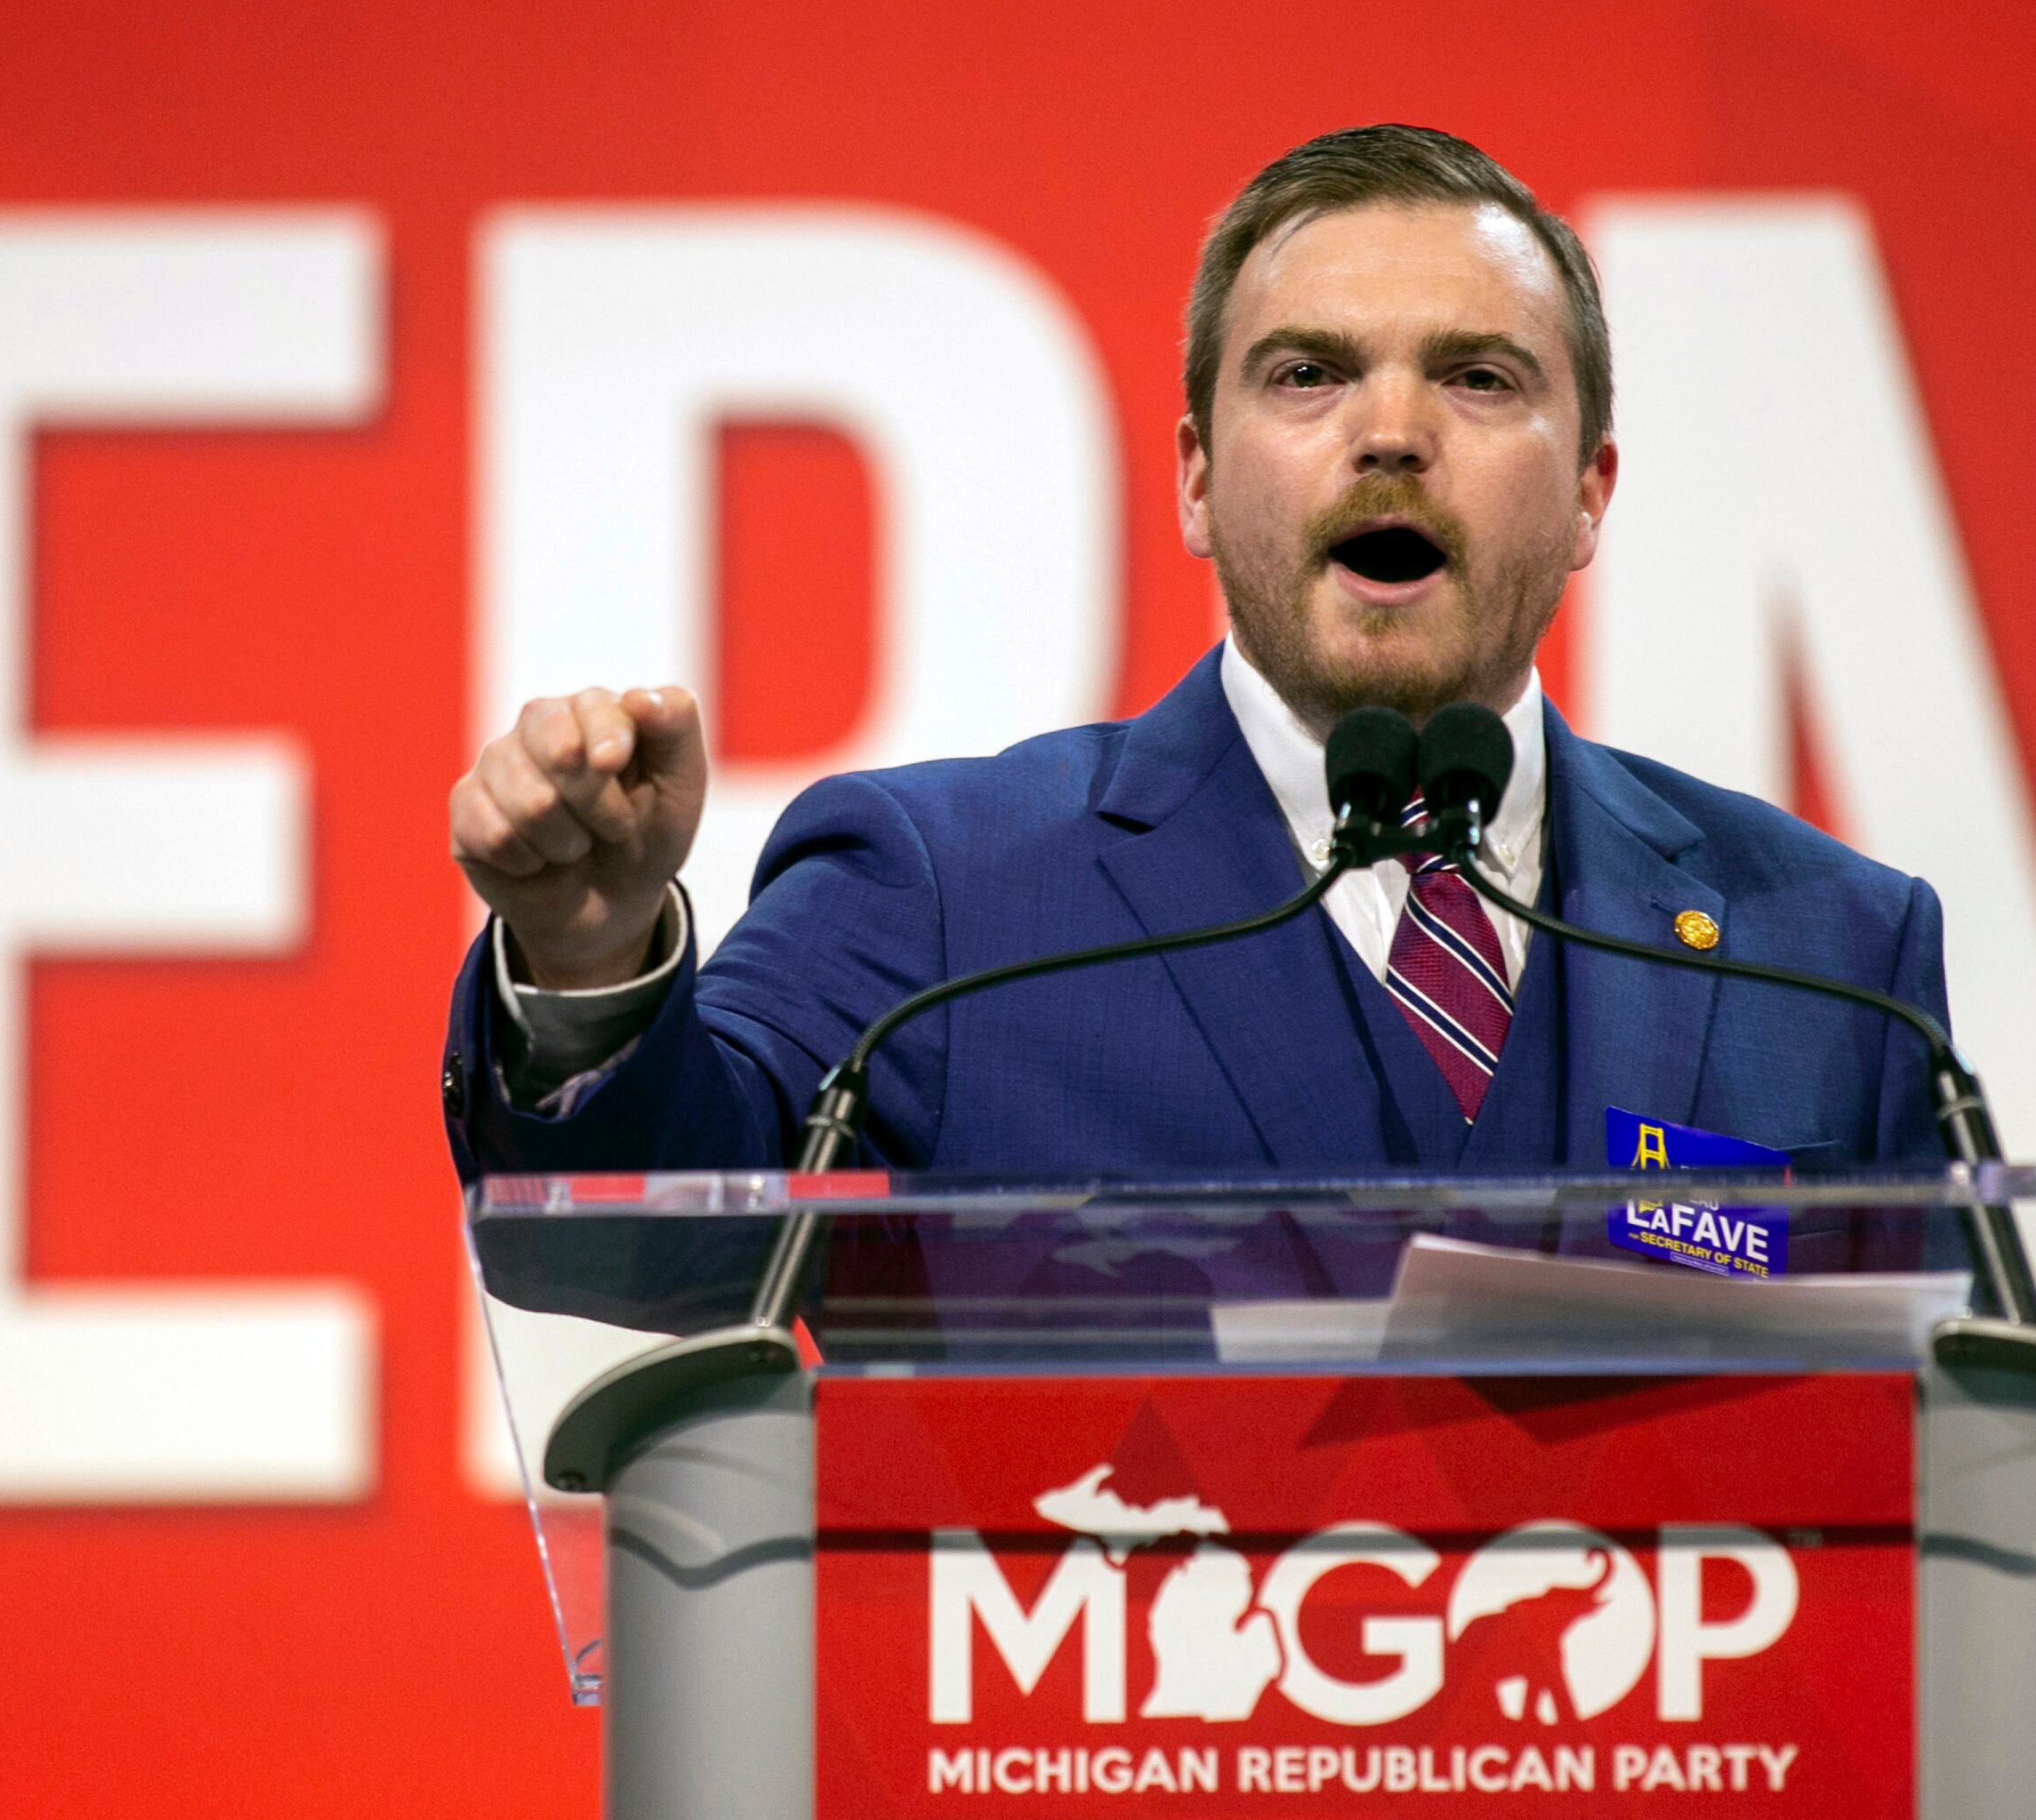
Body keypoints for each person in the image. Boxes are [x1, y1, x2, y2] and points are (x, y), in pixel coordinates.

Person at [438, 124, 1952, 1198]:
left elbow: (1944, 1453)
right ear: (1193, 479)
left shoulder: (1826, 951)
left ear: (1591, 495)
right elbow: (656, 1251)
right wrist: (590, 964)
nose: (1391, 431)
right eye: (1307, 374)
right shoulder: (944, 892)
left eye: (1478, 379)